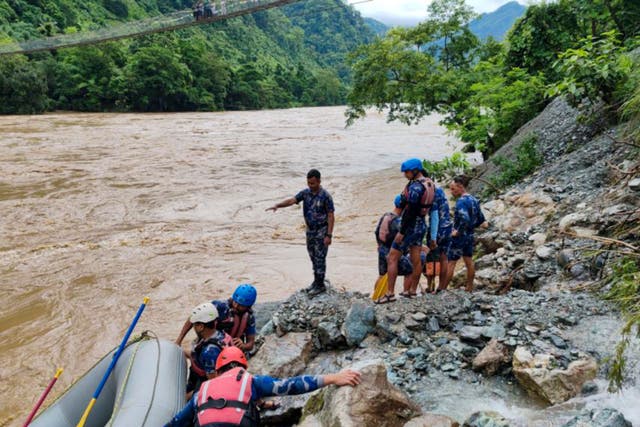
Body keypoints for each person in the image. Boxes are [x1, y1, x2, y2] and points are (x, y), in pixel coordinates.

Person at [165, 346, 362, 427]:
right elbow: (292, 385)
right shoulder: (251, 381)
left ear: (217, 370)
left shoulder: (202, 391)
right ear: (243, 367)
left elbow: (177, 422)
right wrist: (333, 378)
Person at [376, 159, 438, 304]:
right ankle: (412, 291)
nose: (405, 175)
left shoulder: (416, 187)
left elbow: (410, 211)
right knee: (416, 258)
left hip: (410, 225)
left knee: (392, 257)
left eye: (407, 172)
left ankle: (390, 293)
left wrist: (402, 232)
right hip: (421, 224)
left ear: (415, 170)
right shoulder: (429, 183)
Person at [266, 169, 335, 297]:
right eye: (309, 183)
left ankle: (320, 285)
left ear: (319, 181)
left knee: (320, 257)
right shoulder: (305, 193)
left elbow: (331, 216)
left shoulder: (326, 196)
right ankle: (316, 281)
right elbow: (292, 200)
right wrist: (277, 205)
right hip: (310, 230)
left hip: (322, 230)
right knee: (312, 256)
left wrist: (329, 235)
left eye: (313, 183)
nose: (310, 185)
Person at [175, 284, 258, 353]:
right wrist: (179, 341)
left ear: (248, 306)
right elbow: (194, 317)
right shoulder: (220, 306)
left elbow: (250, 343)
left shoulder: (249, 318)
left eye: (241, 305)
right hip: (210, 343)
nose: (236, 306)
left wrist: (243, 346)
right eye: (235, 302)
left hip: (230, 349)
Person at [446, 175, 488, 292]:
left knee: (451, 263)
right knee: (469, 262)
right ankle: (469, 287)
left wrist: (457, 232)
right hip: (470, 236)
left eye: (453, 189)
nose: (451, 192)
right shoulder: (474, 200)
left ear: (460, 187)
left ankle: (443, 289)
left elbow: (465, 219)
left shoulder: (461, 202)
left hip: (460, 237)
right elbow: (482, 221)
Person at [185, 302, 232, 395]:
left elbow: (213, 383)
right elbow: (196, 355)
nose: (193, 327)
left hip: (208, 382)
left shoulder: (209, 352)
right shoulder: (221, 335)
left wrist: (190, 396)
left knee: (186, 398)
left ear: (201, 327)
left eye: (194, 325)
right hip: (206, 372)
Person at [375, 195, 413, 283]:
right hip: (391, 251)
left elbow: (376, 232)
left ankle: (375, 296)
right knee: (410, 270)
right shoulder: (398, 221)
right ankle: (406, 293)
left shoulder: (386, 216)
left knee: (382, 275)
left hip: (381, 249)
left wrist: (379, 245)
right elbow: (405, 237)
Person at [430, 182, 453, 293]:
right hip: (448, 226)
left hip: (439, 229)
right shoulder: (440, 190)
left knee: (437, 259)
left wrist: (433, 237)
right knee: (445, 259)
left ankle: (434, 287)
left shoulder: (432, 193)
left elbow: (434, 217)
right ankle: (442, 287)